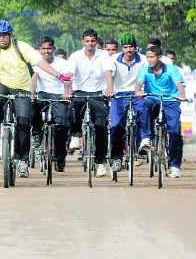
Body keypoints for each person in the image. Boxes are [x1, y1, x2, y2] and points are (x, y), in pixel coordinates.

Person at [0, 20, 69, 178]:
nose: (2, 38)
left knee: (23, 121)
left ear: (10, 35)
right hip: (3, 85)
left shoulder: (22, 47)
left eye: (5, 35)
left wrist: (59, 75)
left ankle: (22, 159)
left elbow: (40, 63)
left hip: (22, 87)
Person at [135, 45, 186, 178]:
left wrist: (182, 94)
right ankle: (146, 138)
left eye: (152, 57)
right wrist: (138, 92)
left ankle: (174, 165)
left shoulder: (171, 69)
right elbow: (139, 84)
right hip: (153, 99)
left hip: (170, 100)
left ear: (159, 57)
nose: (149, 60)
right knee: (143, 105)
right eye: (148, 57)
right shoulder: (144, 69)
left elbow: (179, 84)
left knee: (175, 131)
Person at [68, 28, 110, 177]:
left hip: (98, 93)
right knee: (72, 108)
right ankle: (75, 135)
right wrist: (67, 90)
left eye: (93, 41)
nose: (90, 44)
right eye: (87, 41)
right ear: (83, 42)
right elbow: (70, 75)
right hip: (79, 91)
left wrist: (109, 89)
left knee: (101, 127)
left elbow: (107, 73)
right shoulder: (75, 56)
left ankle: (100, 163)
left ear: (96, 42)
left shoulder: (103, 55)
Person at [104, 33, 146, 172]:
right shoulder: (114, 59)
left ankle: (141, 147)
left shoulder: (143, 60)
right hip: (119, 94)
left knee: (142, 115)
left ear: (135, 47)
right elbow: (109, 74)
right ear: (122, 48)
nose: (128, 50)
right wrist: (110, 89)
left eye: (131, 47)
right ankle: (116, 158)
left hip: (137, 94)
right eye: (126, 47)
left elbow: (147, 76)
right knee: (116, 125)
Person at [31, 36, 73, 172]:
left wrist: (67, 92)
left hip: (59, 95)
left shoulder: (63, 63)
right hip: (42, 93)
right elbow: (34, 78)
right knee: (32, 108)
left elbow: (67, 78)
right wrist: (32, 94)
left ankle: (60, 157)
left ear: (53, 49)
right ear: (39, 50)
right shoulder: (36, 62)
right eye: (44, 49)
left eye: (49, 48)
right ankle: (37, 135)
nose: (47, 51)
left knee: (61, 125)